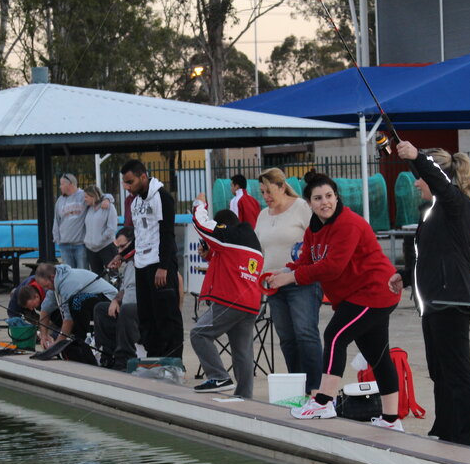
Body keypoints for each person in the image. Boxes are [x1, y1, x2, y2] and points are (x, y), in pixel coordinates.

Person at [266, 170, 403, 428]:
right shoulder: (314, 229)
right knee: (377, 355)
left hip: (376, 290)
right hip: (358, 295)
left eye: (329, 196)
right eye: (318, 198)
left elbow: (332, 267)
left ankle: (323, 402)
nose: (325, 202)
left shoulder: (349, 223)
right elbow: (305, 261)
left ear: (337, 197)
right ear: (309, 203)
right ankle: (391, 420)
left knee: (335, 335)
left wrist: (291, 278)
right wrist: (282, 272)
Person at [390, 142, 470, 447]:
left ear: (436, 177)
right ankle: (444, 430)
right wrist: (404, 276)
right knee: (439, 372)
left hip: (451, 302)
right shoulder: (431, 213)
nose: (417, 183)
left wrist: (417, 156)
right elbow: (429, 256)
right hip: (432, 304)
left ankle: (467, 440)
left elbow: (440, 184)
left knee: (458, 373)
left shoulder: (456, 204)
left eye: (420, 176)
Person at [254, 167, 323, 395]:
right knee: (286, 338)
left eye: (269, 191)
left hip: (301, 282)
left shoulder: (301, 208)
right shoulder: (263, 215)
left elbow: (318, 239)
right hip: (273, 285)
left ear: (282, 187)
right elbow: (258, 249)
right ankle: (297, 386)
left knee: (305, 333)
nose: (265, 197)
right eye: (262, 192)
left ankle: (316, 387)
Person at [190, 199, 265, 398]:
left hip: (230, 301)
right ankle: (244, 397)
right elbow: (231, 265)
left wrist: (200, 204)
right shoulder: (250, 241)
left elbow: (201, 225)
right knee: (242, 351)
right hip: (250, 304)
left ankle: (218, 376)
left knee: (199, 334)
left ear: (222, 226)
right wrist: (210, 255)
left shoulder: (229, 235)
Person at [120, 159, 183, 359]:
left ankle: (173, 361)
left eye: (130, 182)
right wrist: (121, 255)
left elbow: (167, 234)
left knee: (166, 315)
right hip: (142, 265)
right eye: (125, 183)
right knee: (147, 317)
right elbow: (139, 235)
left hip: (160, 264)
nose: (127, 187)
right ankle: (153, 358)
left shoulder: (162, 197)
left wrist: (163, 267)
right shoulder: (135, 202)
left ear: (143, 176)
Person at [34, 262, 117, 364]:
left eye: (47, 286)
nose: (47, 289)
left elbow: (68, 319)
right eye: (44, 287)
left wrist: (57, 345)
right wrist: (44, 335)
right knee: (56, 312)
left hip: (109, 300)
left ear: (52, 277)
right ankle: (75, 336)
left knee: (76, 301)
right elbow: (45, 309)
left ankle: (82, 339)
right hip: (91, 300)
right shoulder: (56, 281)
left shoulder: (68, 283)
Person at [93, 227, 139, 371]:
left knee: (126, 310)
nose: (119, 252)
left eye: (123, 247)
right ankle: (107, 355)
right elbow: (124, 289)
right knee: (101, 309)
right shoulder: (128, 265)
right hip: (126, 309)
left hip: (138, 311)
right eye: (118, 248)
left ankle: (123, 361)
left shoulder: (143, 263)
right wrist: (116, 300)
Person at [53, 173, 87, 269]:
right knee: (69, 273)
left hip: (81, 245)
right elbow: (56, 220)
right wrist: (57, 238)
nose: (60, 187)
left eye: (62, 184)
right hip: (64, 245)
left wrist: (108, 199)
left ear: (70, 184)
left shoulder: (84, 195)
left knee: (82, 273)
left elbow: (100, 196)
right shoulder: (60, 200)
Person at [82, 185, 117, 275]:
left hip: (106, 247)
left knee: (113, 275)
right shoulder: (88, 208)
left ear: (93, 196)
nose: (84, 199)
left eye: (86, 197)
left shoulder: (110, 207)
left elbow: (112, 228)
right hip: (91, 249)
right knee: (97, 277)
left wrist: (100, 239)